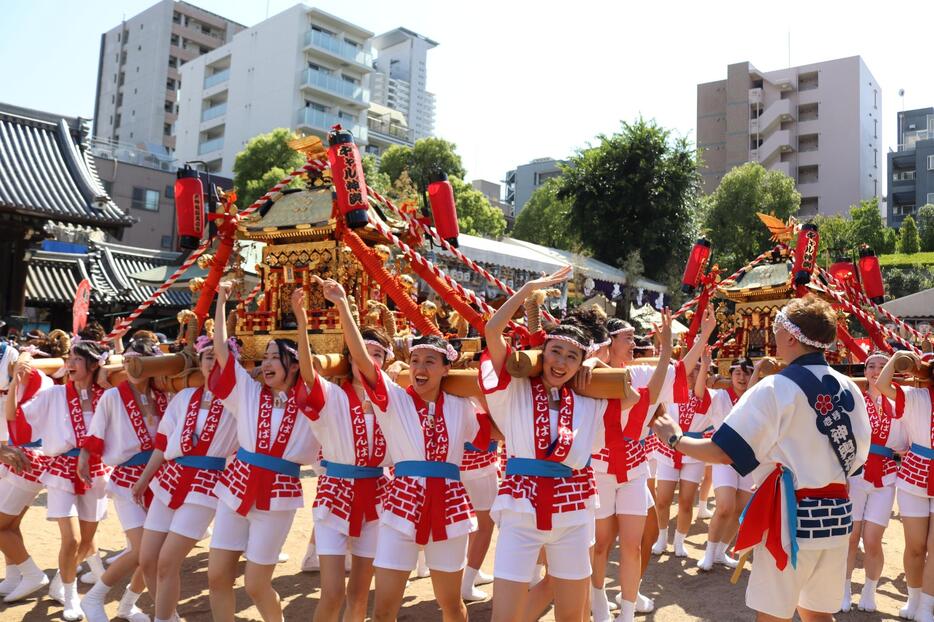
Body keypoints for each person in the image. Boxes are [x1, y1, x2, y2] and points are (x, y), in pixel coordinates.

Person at [653, 295, 870, 622]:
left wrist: (676, 437)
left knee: (773, 615)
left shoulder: (776, 387)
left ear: (793, 337)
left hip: (789, 519)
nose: (774, 334)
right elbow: (857, 460)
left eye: (779, 328)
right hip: (837, 518)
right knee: (818, 614)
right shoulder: (851, 388)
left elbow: (724, 450)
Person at [318, 275, 489, 622]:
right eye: (415, 361)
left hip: (450, 506)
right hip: (400, 506)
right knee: (383, 610)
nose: (420, 369)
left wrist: (479, 390)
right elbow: (365, 362)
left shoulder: (462, 406)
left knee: (452, 606)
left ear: (446, 369)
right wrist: (343, 307)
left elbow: (496, 426)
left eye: (430, 362)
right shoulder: (392, 400)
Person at [480, 266, 641, 622]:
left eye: (572, 356)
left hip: (573, 511)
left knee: (572, 616)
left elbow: (629, 398)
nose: (561, 362)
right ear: (542, 354)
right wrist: (528, 289)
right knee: (502, 616)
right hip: (520, 509)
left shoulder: (589, 398)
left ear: (582, 362)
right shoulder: (516, 388)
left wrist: (595, 373)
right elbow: (493, 330)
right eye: (555, 352)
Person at [205, 282, 320, 622]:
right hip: (235, 485)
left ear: (295, 365)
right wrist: (222, 303)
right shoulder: (249, 394)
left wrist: (301, 321)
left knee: (256, 583)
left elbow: (312, 373)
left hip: (279, 493)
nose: (267, 363)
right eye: (265, 356)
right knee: (216, 576)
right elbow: (223, 355)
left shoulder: (311, 400)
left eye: (276, 357)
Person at [292, 287, 393, 622]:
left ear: (385, 362)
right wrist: (302, 325)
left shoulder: (395, 401)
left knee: (360, 598)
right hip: (334, 495)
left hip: (377, 498)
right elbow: (307, 375)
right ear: (350, 357)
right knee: (333, 594)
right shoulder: (332, 395)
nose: (370, 359)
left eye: (378, 354)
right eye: (363, 352)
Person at [133, 335, 240, 622]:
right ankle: (169, 617)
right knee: (147, 561)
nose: (213, 363)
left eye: (221, 358)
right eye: (208, 357)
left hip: (207, 483)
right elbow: (163, 442)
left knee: (167, 562)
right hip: (171, 476)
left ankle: (161, 619)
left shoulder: (240, 402)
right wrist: (144, 479)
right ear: (199, 363)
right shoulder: (184, 397)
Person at [9, 340, 111, 619]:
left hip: (96, 470)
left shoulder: (108, 395)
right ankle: (70, 597)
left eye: (78, 360)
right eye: (70, 358)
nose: (70, 364)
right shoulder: (54, 394)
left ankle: (61, 581)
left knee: (87, 542)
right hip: (61, 470)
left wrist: (106, 377)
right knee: (72, 540)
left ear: (93, 365)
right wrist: (14, 384)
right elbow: (19, 414)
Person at [586, 317, 675, 622]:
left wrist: (666, 349)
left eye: (636, 338)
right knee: (599, 544)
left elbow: (655, 388)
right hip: (599, 469)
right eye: (628, 338)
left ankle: (626, 611)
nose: (634, 344)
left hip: (634, 469)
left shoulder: (636, 377)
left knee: (633, 546)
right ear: (608, 342)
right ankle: (597, 602)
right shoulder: (590, 374)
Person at [80, 331, 168, 622]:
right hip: (128, 481)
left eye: (139, 361)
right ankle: (94, 597)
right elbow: (96, 431)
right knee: (145, 550)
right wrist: (84, 458)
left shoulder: (163, 395)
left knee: (153, 553)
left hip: (160, 478)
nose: (132, 366)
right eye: (129, 360)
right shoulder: (113, 396)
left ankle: (128, 604)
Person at [839, 351, 905, 613]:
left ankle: (869, 590)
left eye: (883, 366)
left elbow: (906, 441)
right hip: (855, 474)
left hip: (886, 474)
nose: (877, 370)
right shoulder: (853, 401)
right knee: (850, 537)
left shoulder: (901, 402)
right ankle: (843, 588)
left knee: (873, 539)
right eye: (872, 366)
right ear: (865, 372)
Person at [651, 317, 719, 559]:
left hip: (693, 451)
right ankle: (661, 538)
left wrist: (704, 355)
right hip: (667, 450)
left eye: (697, 371)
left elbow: (699, 382)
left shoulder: (701, 395)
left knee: (686, 502)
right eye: (689, 370)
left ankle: (680, 541)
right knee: (662, 500)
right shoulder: (669, 391)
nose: (691, 374)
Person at [876, 350, 934, 621]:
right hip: (914, 475)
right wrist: (899, 355)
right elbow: (882, 385)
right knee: (915, 546)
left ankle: (927, 607)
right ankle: (914, 598)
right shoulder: (915, 396)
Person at [0, 342, 53, 604]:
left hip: (24, 458)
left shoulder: (28, 375)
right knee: (9, 526)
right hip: (26, 456)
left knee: (1, 526)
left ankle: (32, 574)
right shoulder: (34, 377)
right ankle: (14, 576)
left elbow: (11, 415)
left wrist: (22, 358)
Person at [696, 354, 759, 571]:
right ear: (729, 375)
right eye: (737, 373)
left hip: (749, 458)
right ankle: (709, 553)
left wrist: (760, 371)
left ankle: (721, 552)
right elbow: (699, 394)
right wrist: (705, 367)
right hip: (722, 457)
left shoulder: (757, 397)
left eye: (747, 372)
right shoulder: (720, 396)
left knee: (740, 509)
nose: (742, 377)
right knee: (724, 506)